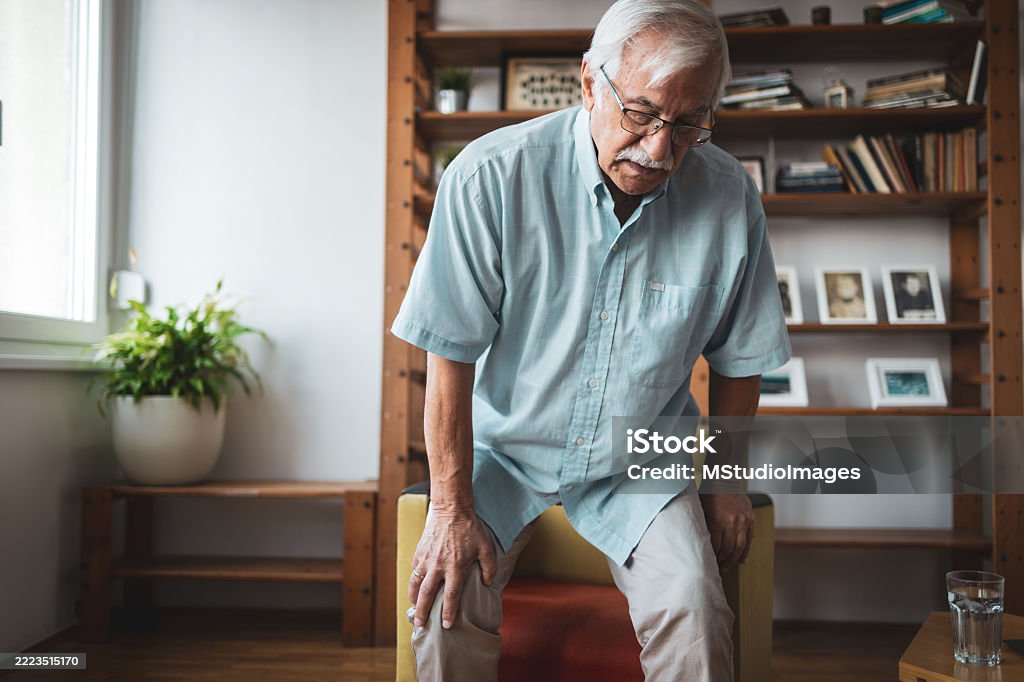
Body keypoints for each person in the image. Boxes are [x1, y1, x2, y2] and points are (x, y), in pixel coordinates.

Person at [390, 1, 791, 679]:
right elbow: (448, 353)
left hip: (637, 463)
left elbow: (740, 357)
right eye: (640, 112)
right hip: (502, 454)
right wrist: (451, 507)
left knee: (696, 601)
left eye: (690, 122)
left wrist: (725, 483)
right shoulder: (490, 178)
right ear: (588, 84)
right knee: (444, 602)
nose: (661, 148)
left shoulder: (727, 196)